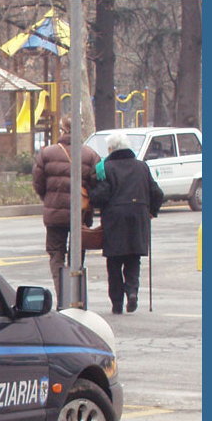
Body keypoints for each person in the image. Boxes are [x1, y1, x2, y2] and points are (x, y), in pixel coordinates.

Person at [89, 130, 164, 314]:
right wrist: (151, 211)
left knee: (114, 263)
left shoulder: (106, 168)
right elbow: (157, 193)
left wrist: (90, 194)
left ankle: (116, 304)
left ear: (111, 149)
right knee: (133, 259)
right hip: (138, 217)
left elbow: (101, 196)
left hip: (115, 220)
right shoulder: (142, 167)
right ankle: (132, 291)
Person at [32, 116, 100, 304]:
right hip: (81, 214)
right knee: (77, 253)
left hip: (54, 213)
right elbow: (96, 184)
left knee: (56, 253)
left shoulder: (46, 153)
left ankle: (62, 294)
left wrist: (48, 198)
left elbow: (38, 183)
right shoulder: (90, 155)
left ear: (62, 129)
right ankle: (75, 294)